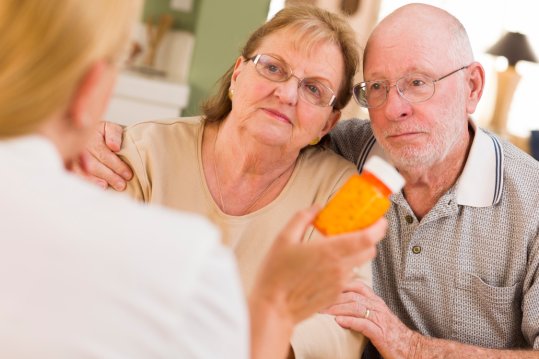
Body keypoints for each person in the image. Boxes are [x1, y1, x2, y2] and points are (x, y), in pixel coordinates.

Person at [0, 1, 387, 358]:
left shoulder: (342, 190)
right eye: (273, 67)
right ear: (237, 76)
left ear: (329, 122)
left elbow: (342, 319)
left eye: (314, 89)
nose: (287, 93)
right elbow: (95, 288)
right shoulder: (147, 147)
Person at [321, 3, 539, 358]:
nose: (393, 109)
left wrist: (410, 346)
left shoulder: (532, 203)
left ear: (472, 87)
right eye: (377, 86)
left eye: (418, 82)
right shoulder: (343, 153)